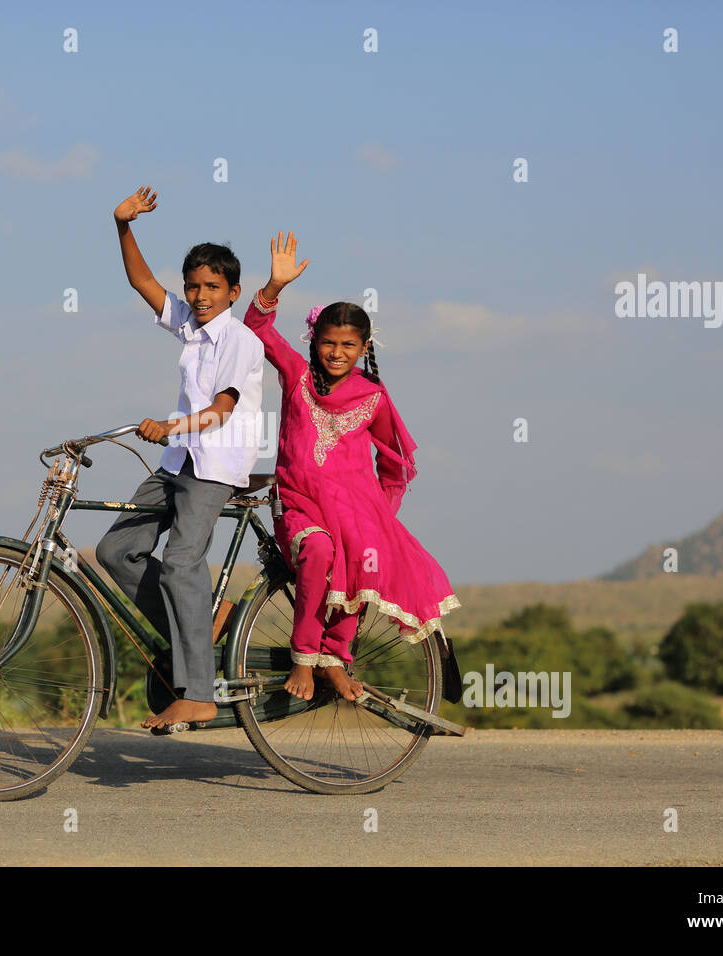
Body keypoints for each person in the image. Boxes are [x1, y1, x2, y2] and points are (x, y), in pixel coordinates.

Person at [242, 231, 460, 702]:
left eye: (347, 344)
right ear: (313, 341)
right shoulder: (298, 376)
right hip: (300, 505)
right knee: (319, 553)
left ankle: (337, 661)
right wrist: (275, 287)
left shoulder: (373, 397)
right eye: (328, 343)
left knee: (364, 561)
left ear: (364, 347)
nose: (336, 352)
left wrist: (378, 513)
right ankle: (304, 659)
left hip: (356, 511)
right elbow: (257, 329)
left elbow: (397, 462)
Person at [95, 186, 265, 732]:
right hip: (177, 460)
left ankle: (199, 694)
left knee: (181, 563)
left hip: (214, 465)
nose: (199, 295)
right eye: (193, 285)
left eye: (212, 286)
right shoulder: (189, 327)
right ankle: (195, 625)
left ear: (233, 291)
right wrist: (123, 225)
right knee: (116, 549)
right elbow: (142, 282)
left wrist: (173, 425)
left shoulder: (240, 341)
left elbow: (220, 409)